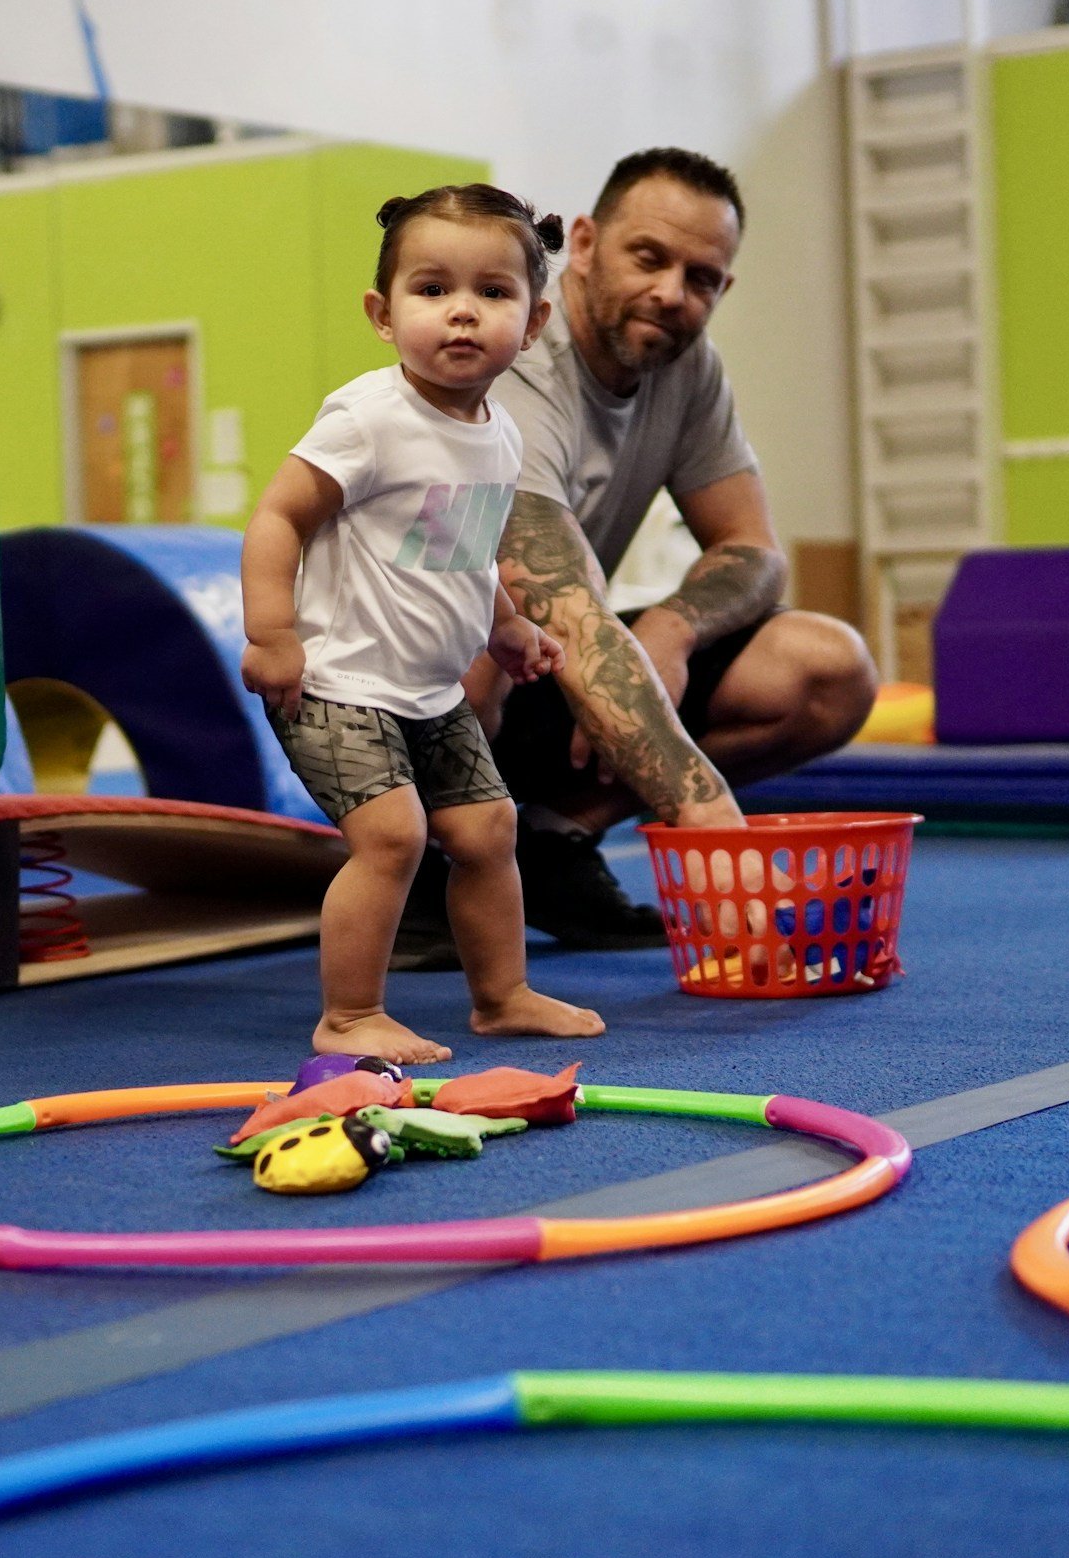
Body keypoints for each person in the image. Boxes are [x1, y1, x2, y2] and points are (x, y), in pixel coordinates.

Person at [396, 148, 878, 969]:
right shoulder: (509, 360)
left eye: (701, 277)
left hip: (543, 658)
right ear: (583, 244)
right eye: (648, 258)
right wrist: (728, 852)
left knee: (828, 667)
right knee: (478, 658)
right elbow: (558, 605)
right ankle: (425, 867)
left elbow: (754, 551)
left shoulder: (689, 371)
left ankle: (551, 843)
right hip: (401, 688)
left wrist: (673, 630)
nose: (671, 292)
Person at [240, 184, 606, 1065]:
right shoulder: (370, 418)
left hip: (430, 691)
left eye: (493, 293)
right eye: (432, 289)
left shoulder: (499, 435)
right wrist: (272, 633)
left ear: (536, 319)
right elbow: (278, 518)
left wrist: (507, 627)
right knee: (393, 836)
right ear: (382, 311)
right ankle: (350, 1014)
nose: (462, 314)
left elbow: (463, 553)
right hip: (337, 683)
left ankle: (502, 995)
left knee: (488, 832)